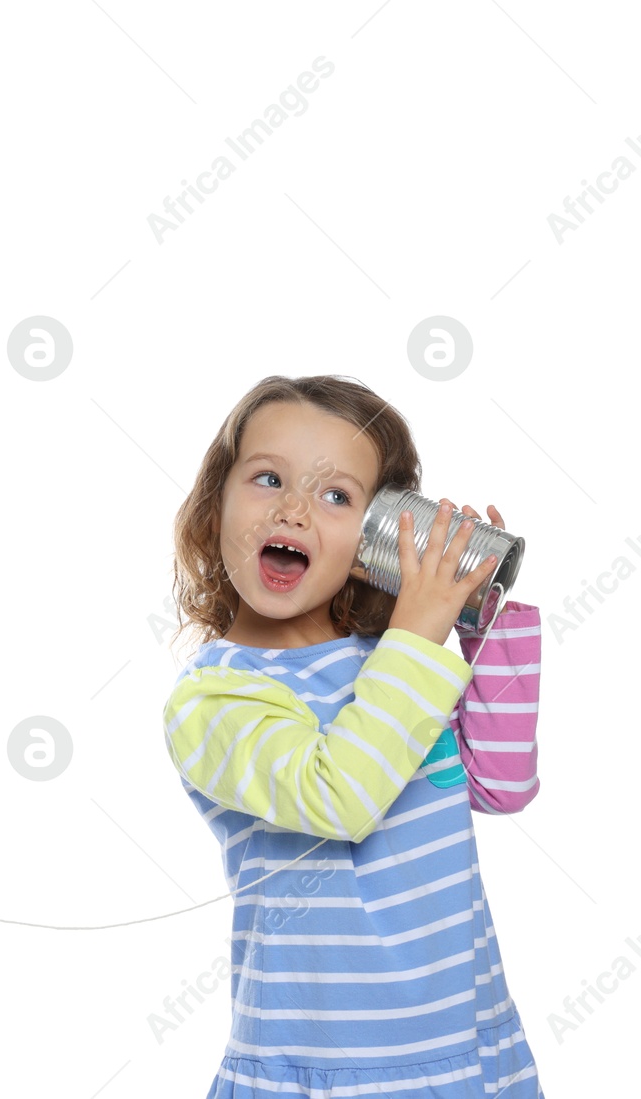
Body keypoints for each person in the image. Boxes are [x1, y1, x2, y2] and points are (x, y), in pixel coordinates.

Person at [162, 375, 543, 1097]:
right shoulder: (215, 697)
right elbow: (338, 796)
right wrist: (416, 635)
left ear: (379, 537)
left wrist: (473, 619)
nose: (294, 508)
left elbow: (502, 783)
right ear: (216, 504)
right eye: (268, 478)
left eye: (337, 496)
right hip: (322, 1069)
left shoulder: (397, 660)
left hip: (466, 1044)